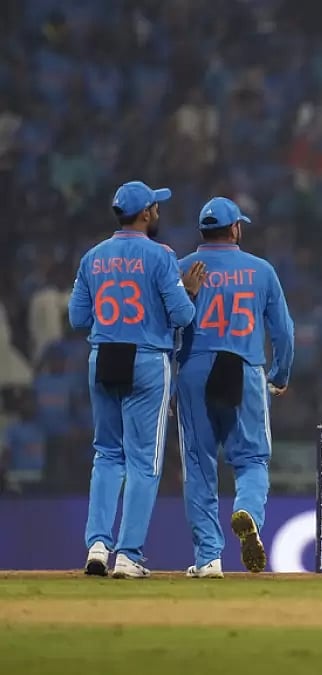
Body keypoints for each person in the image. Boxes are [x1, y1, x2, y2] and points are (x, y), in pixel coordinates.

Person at [69, 180, 205, 578]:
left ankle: (97, 545)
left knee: (107, 455)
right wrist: (190, 291)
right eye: (156, 208)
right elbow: (183, 316)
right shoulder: (161, 256)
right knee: (143, 462)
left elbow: (78, 319)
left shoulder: (92, 258)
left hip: (104, 355)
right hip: (147, 359)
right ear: (145, 213)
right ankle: (128, 556)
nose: (159, 213)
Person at [176, 197, 295, 578]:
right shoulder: (261, 270)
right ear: (235, 229)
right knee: (252, 459)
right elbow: (284, 332)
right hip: (243, 367)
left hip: (195, 367)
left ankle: (209, 559)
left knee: (199, 465)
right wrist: (280, 374)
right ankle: (247, 510)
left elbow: (167, 323)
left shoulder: (182, 268)